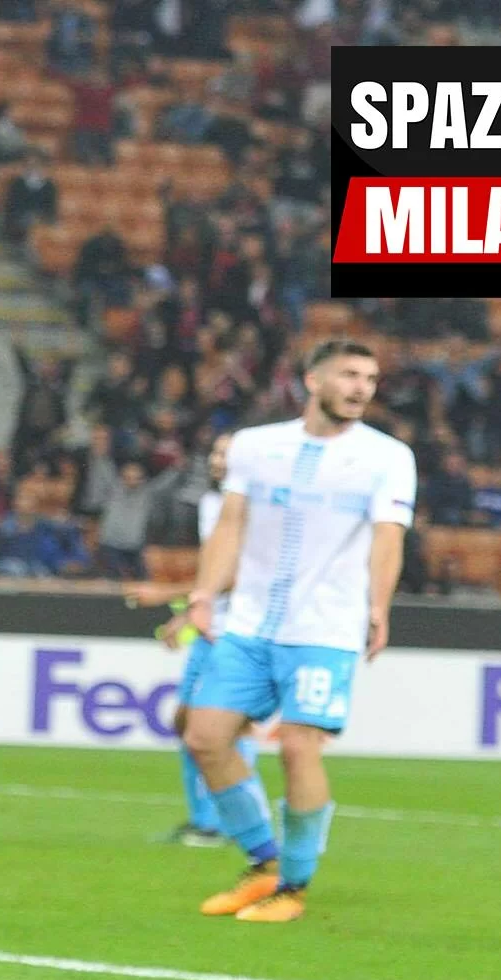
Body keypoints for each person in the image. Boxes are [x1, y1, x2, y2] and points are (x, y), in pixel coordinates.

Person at [183, 340, 415, 923]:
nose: (362, 387)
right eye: (350, 375)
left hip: (325, 627)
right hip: (251, 623)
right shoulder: (256, 447)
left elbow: (389, 537)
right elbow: (230, 525)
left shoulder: (388, 456)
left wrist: (379, 607)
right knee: (204, 737)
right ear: (313, 380)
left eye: (370, 377)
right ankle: (263, 864)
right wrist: (204, 595)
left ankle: (294, 886)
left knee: (296, 745)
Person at [133, 433, 267, 848]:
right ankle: (205, 822)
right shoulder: (212, 505)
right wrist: (191, 614)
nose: (217, 460)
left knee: (227, 730)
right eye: (215, 452)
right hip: (211, 629)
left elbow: (242, 578)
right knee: (186, 724)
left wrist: (169, 595)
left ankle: (239, 823)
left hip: (242, 633)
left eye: (227, 454)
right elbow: (215, 572)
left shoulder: (258, 511)